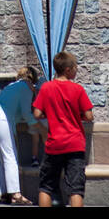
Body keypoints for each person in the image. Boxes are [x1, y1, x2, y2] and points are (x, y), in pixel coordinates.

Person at [32, 51, 94, 208]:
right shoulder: (77, 89)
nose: (76, 70)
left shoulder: (46, 88)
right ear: (68, 69)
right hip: (75, 143)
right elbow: (89, 116)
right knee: (76, 189)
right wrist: (75, 115)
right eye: (75, 67)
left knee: (46, 186)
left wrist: (52, 113)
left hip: (54, 144)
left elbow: (37, 113)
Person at [0, 66, 41, 205]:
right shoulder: (26, 87)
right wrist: (40, 126)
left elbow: (14, 115)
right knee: (10, 156)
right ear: (33, 80)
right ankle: (16, 194)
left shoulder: (11, 86)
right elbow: (26, 114)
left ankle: (3, 193)